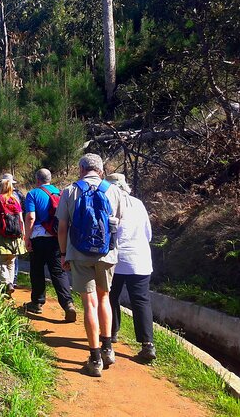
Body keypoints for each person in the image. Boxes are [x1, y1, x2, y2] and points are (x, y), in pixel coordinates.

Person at [56, 153, 124, 377]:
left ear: (81, 169)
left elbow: (63, 227)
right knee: (105, 298)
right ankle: (108, 349)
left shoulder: (70, 190)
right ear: (101, 170)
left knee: (89, 304)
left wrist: (64, 254)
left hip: (79, 252)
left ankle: (94, 359)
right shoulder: (114, 190)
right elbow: (119, 223)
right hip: (106, 254)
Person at [106, 173, 157, 361]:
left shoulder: (109, 204)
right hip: (140, 259)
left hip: (116, 260)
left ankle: (111, 333)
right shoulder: (138, 203)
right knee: (141, 300)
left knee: (111, 297)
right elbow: (148, 234)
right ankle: (148, 345)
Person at [24, 168, 76, 322]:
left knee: (37, 270)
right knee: (58, 271)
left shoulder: (33, 194)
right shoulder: (60, 193)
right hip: (57, 236)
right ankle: (68, 303)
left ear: (37, 179)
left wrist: (27, 237)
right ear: (50, 179)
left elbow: (31, 217)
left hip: (39, 237)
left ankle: (37, 302)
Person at [0, 179, 24, 295]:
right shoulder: (15, 200)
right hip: (15, 233)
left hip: (0, 232)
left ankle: (7, 283)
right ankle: (11, 283)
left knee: (0, 260)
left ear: (1, 188)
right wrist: (23, 234)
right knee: (11, 261)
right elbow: (21, 219)